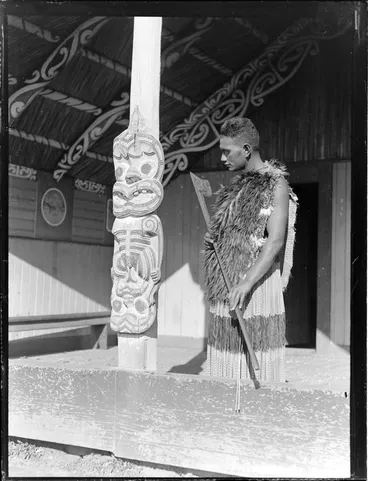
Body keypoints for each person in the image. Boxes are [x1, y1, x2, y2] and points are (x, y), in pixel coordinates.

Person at [203, 117, 298, 383]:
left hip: (255, 285)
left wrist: (246, 283)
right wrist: (216, 238)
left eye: (227, 151)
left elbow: (275, 240)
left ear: (246, 149)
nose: (223, 158)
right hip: (228, 283)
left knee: (257, 366)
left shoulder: (275, 184)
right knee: (227, 364)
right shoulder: (238, 186)